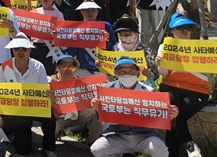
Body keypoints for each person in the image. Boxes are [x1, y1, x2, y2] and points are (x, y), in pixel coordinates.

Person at [90, 56, 178, 157]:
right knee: (96, 149)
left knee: (161, 151)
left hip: (145, 136)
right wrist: (97, 108)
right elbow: (101, 116)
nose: (127, 73)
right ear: (116, 73)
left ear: (138, 73)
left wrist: (171, 115)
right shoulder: (107, 90)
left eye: (131, 70)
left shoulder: (149, 91)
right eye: (122, 71)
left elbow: (161, 117)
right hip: (117, 135)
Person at [0, 32, 56, 157]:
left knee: (50, 116)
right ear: (12, 50)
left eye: (24, 49)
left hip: (36, 107)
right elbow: (0, 91)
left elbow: (43, 91)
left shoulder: (39, 66)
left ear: (30, 50)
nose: (20, 52)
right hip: (17, 110)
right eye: (16, 49)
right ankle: (23, 136)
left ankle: (48, 147)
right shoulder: (4, 67)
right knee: (23, 150)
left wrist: (49, 95)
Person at [156, 14, 210, 157]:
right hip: (171, 87)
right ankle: (189, 144)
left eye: (188, 28)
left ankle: (171, 152)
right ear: (172, 31)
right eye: (180, 28)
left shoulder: (200, 48)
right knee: (173, 110)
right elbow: (165, 74)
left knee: (173, 115)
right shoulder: (164, 47)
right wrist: (160, 64)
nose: (185, 31)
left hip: (197, 90)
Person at [50, 54, 101, 147]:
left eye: (72, 67)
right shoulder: (49, 82)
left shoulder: (81, 84)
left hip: (78, 115)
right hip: (58, 118)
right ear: (58, 68)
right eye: (64, 66)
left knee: (95, 112)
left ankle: (93, 143)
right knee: (49, 138)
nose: (68, 69)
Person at [66, 0, 117, 77]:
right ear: (81, 11)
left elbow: (114, 47)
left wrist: (107, 41)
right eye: (87, 10)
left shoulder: (106, 26)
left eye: (93, 10)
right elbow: (71, 51)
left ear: (97, 11)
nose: (90, 12)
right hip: (83, 69)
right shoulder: (76, 28)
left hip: (103, 68)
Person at [111, 14, 158, 83]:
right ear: (119, 34)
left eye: (130, 32)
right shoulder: (115, 48)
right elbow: (110, 71)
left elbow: (155, 73)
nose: (127, 34)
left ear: (135, 33)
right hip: (120, 86)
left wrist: (150, 74)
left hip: (140, 87)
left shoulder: (144, 49)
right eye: (123, 33)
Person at [30, 0, 64, 75]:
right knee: (35, 72)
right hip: (36, 47)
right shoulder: (33, 12)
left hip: (51, 48)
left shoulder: (59, 14)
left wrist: (57, 34)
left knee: (49, 73)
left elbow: (62, 32)